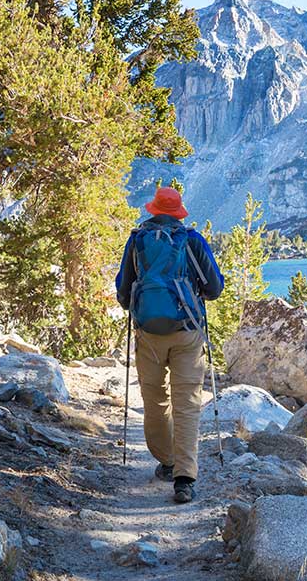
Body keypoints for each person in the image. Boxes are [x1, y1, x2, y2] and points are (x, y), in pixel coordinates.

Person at [115, 186, 224, 504]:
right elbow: (214, 288)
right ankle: (184, 479)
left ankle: (167, 460)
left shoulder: (137, 241)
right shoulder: (192, 240)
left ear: (153, 210)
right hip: (187, 332)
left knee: (155, 400)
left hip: (148, 333)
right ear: (178, 213)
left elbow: (124, 292)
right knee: (187, 403)